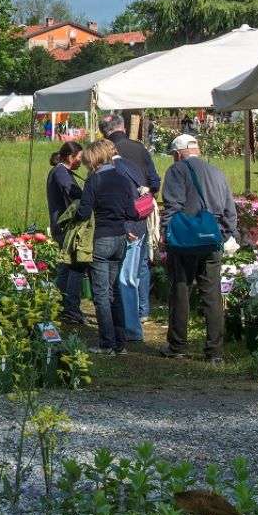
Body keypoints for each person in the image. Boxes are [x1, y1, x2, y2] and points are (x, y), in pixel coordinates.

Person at [160, 134, 238, 363]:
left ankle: (178, 345)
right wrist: (225, 235)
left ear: (177, 153)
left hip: (185, 241)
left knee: (181, 291)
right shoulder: (217, 172)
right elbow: (229, 210)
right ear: (198, 150)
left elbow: (172, 206)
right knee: (212, 295)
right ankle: (215, 351)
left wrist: (167, 234)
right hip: (212, 239)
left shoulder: (176, 171)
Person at [80, 139, 137, 356]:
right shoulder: (122, 179)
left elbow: (84, 212)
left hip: (101, 238)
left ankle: (106, 342)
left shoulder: (94, 180)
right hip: (120, 238)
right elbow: (131, 212)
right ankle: (120, 342)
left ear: (94, 159)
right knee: (114, 291)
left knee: (101, 294)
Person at [101, 115, 159, 330]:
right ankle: (142, 310)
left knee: (122, 272)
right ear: (123, 127)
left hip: (122, 221)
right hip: (142, 216)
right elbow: (154, 180)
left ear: (103, 132)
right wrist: (146, 197)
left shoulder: (106, 153)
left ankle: (128, 319)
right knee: (142, 264)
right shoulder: (139, 148)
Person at [45, 141, 89, 328]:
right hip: (66, 228)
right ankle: (71, 308)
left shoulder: (59, 171)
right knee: (74, 267)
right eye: (79, 158)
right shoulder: (61, 173)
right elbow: (75, 195)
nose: (81, 162)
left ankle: (61, 305)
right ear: (70, 158)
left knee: (65, 267)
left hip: (59, 226)